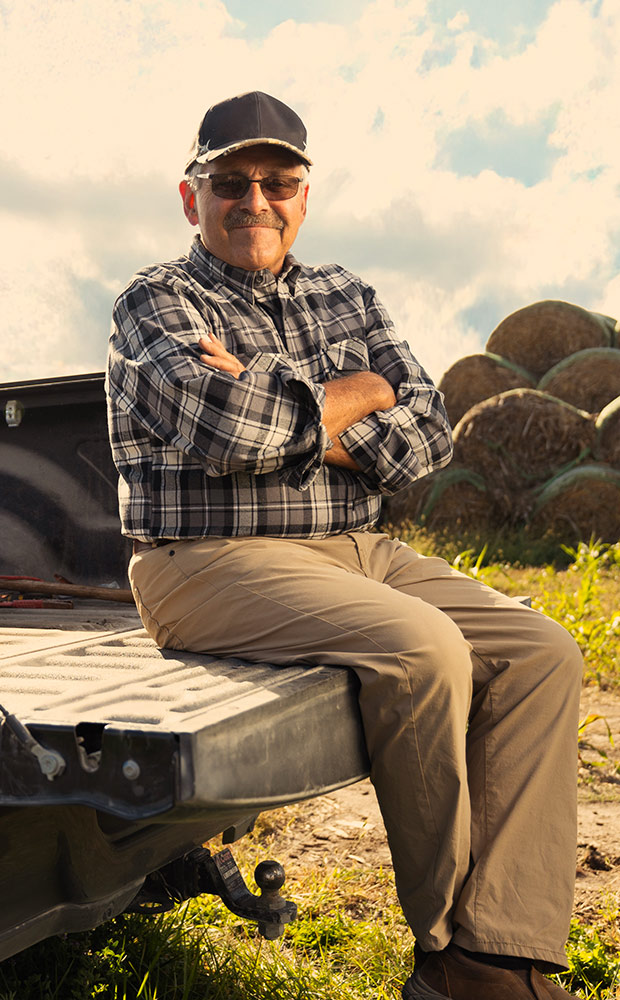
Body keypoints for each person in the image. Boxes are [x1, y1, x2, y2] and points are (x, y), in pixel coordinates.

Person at [106, 90, 583, 999]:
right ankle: (450, 955)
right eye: (230, 182)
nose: (255, 201)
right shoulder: (154, 302)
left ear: (304, 193)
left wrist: (290, 399)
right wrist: (355, 393)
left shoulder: (345, 293)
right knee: (425, 649)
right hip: (206, 564)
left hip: (357, 548)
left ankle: (504, 943)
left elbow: (430, 433)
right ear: (189, 195)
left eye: (277, 181)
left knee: (543, 653)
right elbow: (223, 431)